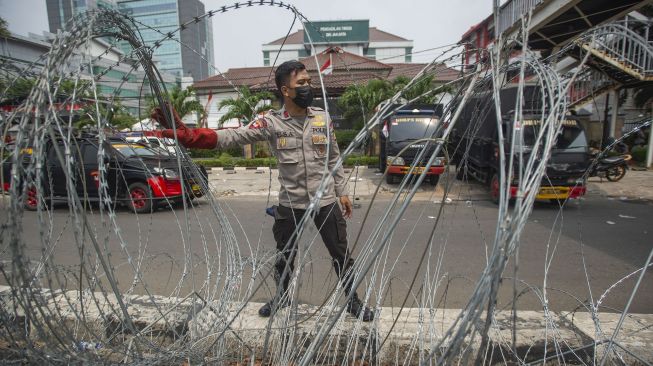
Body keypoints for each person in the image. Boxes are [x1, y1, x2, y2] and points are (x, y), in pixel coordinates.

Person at [150, 60, 373, 322]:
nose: (307, 87)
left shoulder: (322, 119)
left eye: (309, 82)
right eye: (300, 83)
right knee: (285, 255)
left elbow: (334, 157)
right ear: (285, 90)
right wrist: (190, 136)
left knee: (341, 254)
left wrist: (342, 190)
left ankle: (353, 301)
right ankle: (281, 296)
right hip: (291, 204)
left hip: (325, 201)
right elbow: (233, 136)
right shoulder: (271, 123)